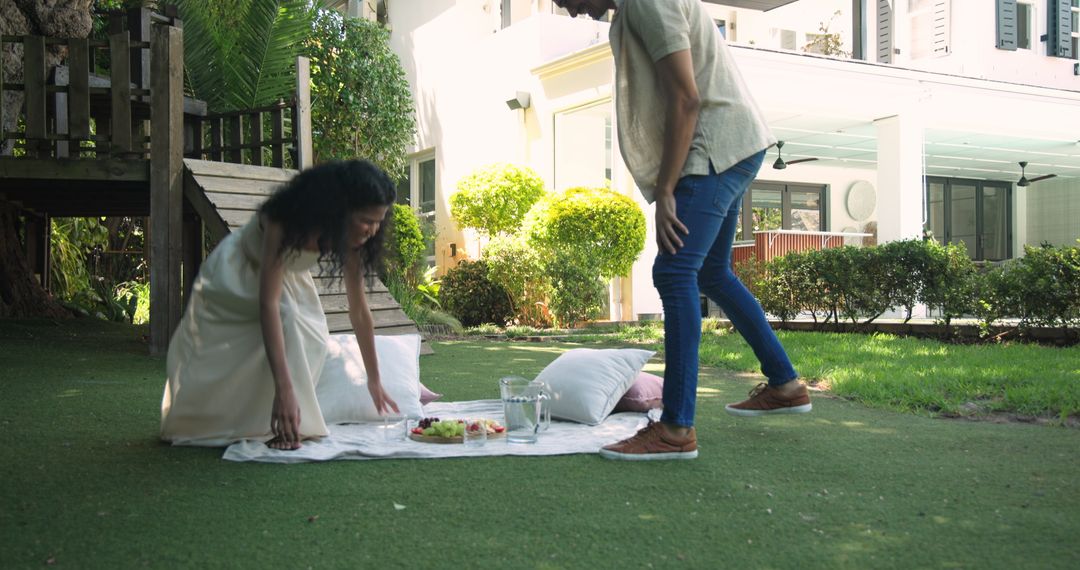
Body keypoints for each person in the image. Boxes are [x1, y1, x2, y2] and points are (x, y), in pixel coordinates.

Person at [552, 0, 811, 460]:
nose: (571, 12)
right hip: (732, 146)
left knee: (674, 274)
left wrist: (667, 188)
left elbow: (687, 97)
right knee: (711, 273)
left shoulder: (647, 2)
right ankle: (785, 384)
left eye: (567, 0)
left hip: (712, 149)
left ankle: (675, 429)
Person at [161, 160, 400, 450]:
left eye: (379, 221)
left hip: (288, 279)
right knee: (288, 320)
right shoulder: (286, 221)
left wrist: (374, 380)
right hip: (238, 273)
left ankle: (279, 422)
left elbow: (360, 312)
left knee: (312, 334)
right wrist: (283, 390)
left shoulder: (354, 239)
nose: (373, 230)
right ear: (339, 208)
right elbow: (269, 305)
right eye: (366, 219)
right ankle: (277, 415)